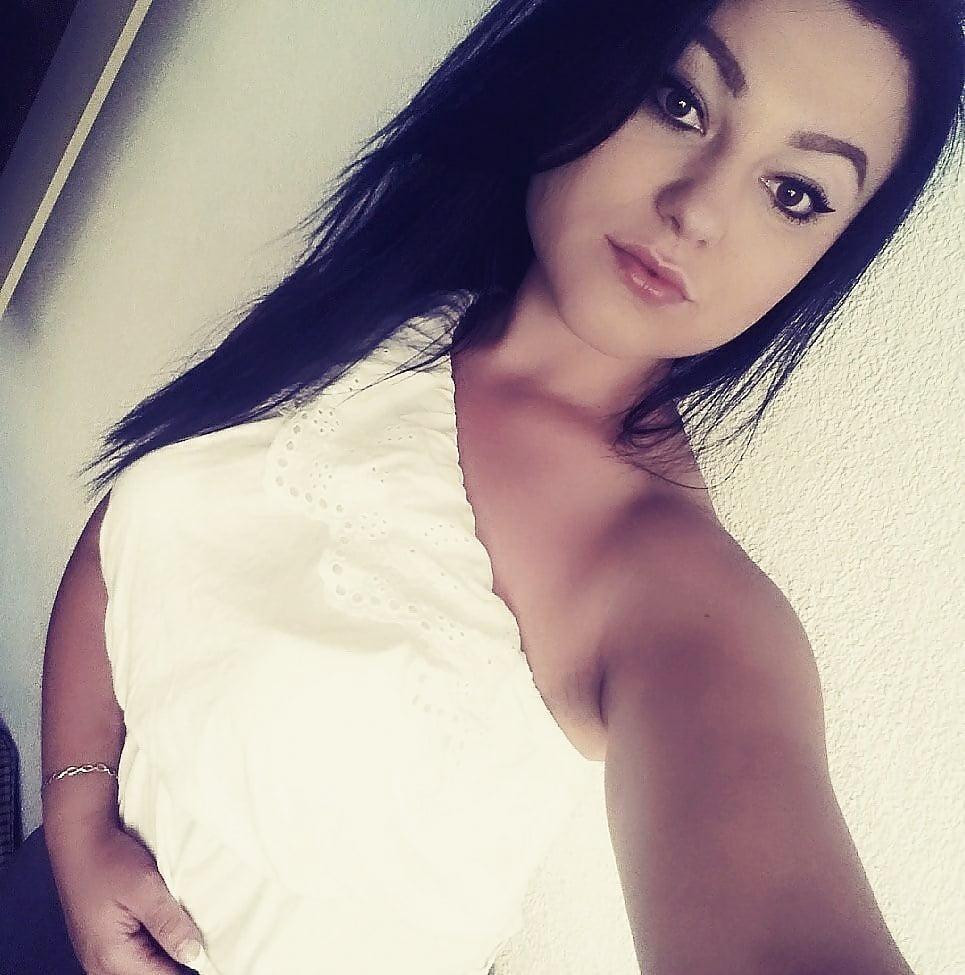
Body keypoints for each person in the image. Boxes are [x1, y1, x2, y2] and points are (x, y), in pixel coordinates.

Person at [29, 0, 962, 972]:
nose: (697, 210)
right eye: (678, 100)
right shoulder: (389, 302)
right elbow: (139, 530)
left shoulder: (680, 599)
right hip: (49, 888)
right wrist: (76, 814)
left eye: (794, 192)